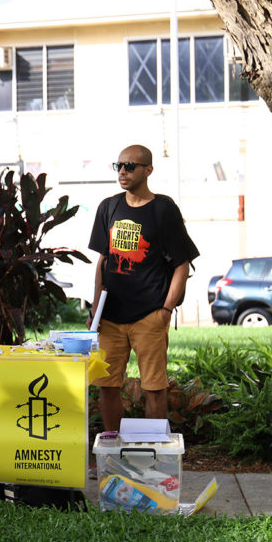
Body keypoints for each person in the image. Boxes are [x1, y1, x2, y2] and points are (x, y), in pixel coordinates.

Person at [87, 144, 199, 432]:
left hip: (150, 314)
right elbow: (102, 262)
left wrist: (166, 309)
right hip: (111, 317)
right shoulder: (108, 207)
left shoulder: (163, 210)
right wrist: (95, 311)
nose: (122, 171)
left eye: (130, 166)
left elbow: (181, 264)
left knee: (154, 388)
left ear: (148, 170)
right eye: (118, 166)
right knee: (108, 386)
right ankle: (112, 448)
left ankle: (154, 453)